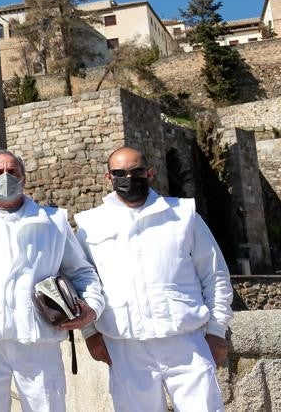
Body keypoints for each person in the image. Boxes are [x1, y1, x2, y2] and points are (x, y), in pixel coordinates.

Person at [0, 149, 104, 412]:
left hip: (38, 340)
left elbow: (82, 272)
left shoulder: (53, 221)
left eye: (12, 171)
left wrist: (92, 307)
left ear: (23, 178)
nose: (5, 176)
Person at [75, 146, 234, 412]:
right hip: (125, 347)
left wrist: (217, 331)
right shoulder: (91, 225)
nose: (129, 177)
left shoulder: (183, 215)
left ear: (149, 173)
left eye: (136, 171)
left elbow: (215, 274)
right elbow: (82, 283)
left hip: (185, 342)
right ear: (108, 177)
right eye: (120, 173)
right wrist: (90, 333)